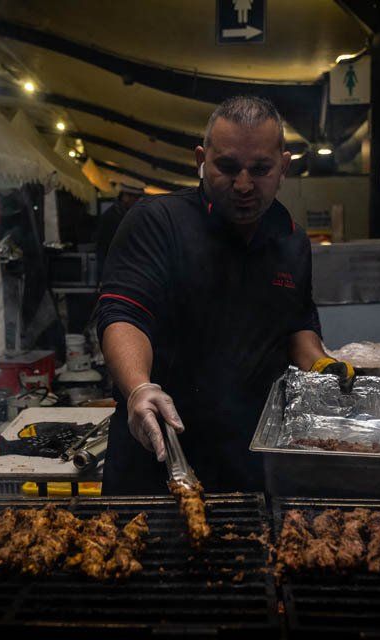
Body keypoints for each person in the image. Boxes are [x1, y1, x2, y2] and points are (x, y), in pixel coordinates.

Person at [95, 95, 355, 494]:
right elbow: (124, 314)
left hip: (252, 462)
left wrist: (321, 366)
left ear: (284, 166)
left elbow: (296, 325)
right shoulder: (158, 222)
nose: (244, 185)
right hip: (159, 449)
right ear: (201, 159)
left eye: (261, 170)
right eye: (228, 168)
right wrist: (139, 387)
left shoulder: (291, 240)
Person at [95, 182, 143, 282]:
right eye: (135, 197)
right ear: (125, 196)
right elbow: (104, 249)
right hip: (116, 272)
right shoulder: (112, 217)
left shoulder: (129, 214)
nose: (137, 201)